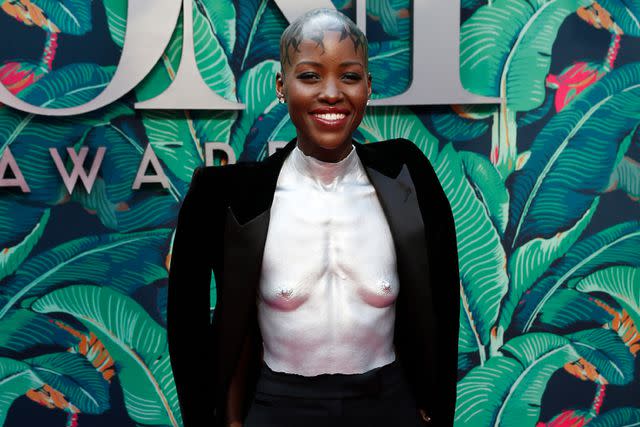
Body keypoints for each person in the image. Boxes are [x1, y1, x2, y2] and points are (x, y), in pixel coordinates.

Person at [167, 8, 460, 427]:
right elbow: (187, 327)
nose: (331, 93)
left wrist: (434, 404)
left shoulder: (409, 178)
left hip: (388, 403)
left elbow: (444, 302)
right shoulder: (229, 197)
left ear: (368, 87)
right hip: (279, 406)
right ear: (282, 87)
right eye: (309, 76)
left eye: (349, 76)